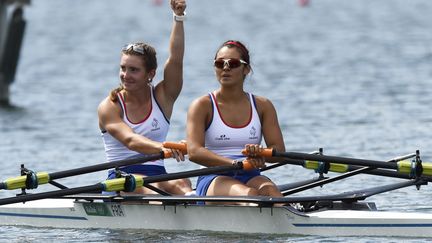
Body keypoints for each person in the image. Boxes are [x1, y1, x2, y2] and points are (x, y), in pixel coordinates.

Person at [98, 0, 192, 195]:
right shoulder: (110, 106)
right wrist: (167, 147)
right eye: (123, 68)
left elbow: (176, 59)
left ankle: (194, 205)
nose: (125, 75)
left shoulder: (163, 97)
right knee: (154, 190)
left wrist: (178, 18)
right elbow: (131, 141)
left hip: (157, 174)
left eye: (133, 70)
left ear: (150, 74)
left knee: (183, 182)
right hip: (122, 179)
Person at [186, 40, 286, 203]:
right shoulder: (202, 105)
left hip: (251, 174)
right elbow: (194, 152)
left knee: (272, 193)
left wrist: (261, 153)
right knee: (250, 196)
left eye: (232, 63)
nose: (225, 68)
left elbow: (278, 151)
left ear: (246, 69)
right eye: (219, 63)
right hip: (214, 177)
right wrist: (235, 163)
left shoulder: (263, 106)